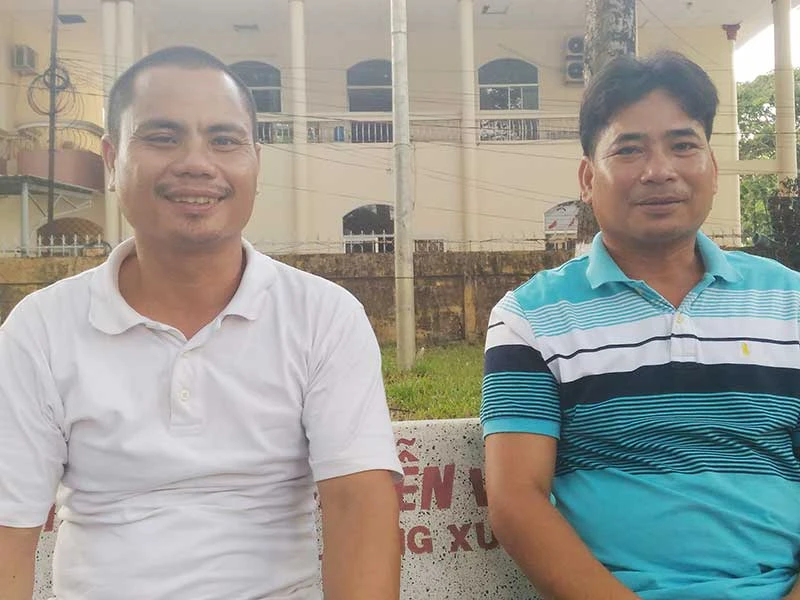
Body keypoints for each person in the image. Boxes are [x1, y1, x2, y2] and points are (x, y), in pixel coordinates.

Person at [0, 46, 402, 600]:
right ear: (111, 159)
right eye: (163, 137)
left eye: (224, 140)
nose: (197, 162)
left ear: (255, 162)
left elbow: (359, 504)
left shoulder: (323, 316)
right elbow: (8, 527)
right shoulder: (41, 330)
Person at [481, 51, 800, 600]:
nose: (659, 171)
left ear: (713, 167)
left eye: (683, 145)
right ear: (588, 178)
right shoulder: (530, 318)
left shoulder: (789, 303)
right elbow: (516, 499)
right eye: (629, 149)